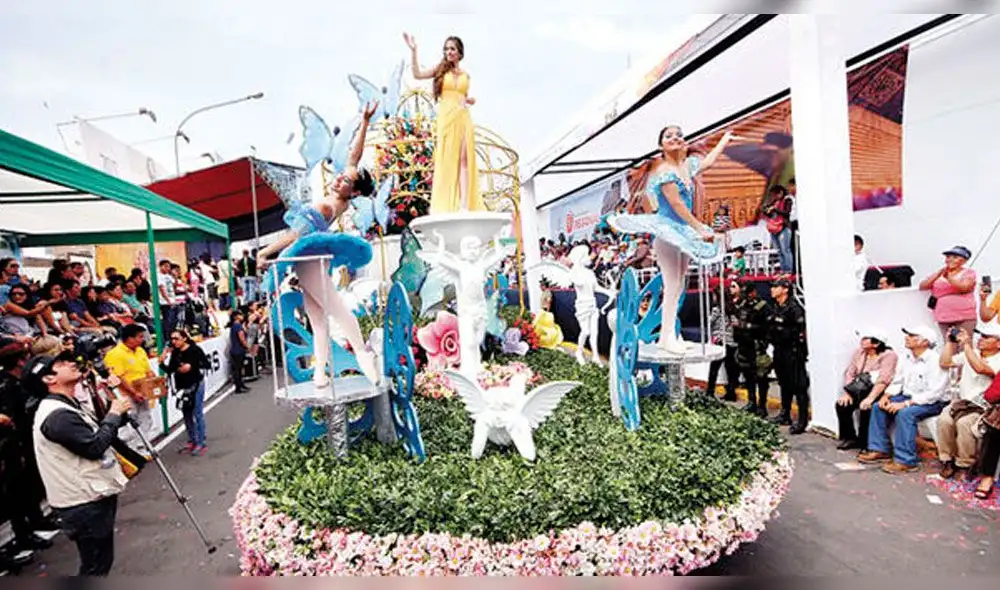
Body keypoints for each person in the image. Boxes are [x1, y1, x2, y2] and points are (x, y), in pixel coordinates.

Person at [257, 102, 380, 392]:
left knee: (338, 313)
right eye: (341, 176)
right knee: (319, 320)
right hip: (308, 261)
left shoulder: (326, 206)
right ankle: (320, 375)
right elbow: (354, 155)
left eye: (346, 180)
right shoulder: (342, 195)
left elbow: (294, 235)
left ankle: (364, 359)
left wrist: (265, 252)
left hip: (310, 260)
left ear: (356, 191)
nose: (340, 178)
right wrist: (364, 122)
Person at [607, 124, 739, 354]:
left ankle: (670, 334)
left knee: (679, 285)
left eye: (679, 134)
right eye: (669, 136)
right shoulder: (664, 172)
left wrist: (724, 141)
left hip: (683, 231)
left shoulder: (686, 166)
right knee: (672, 285)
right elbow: (677, 205)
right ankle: (666, 336)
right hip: (669, 230)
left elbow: (707, 162)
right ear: (661, 146)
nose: (675, 138)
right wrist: (699, 228)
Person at [23, 350, 146, 576]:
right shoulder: (56, 414)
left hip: (91, 495)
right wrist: (113, 414)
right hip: (83, 503)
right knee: (95, 566)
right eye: (61, 363)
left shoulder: (66, 404)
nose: (71, 363)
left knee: (99, 563)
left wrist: (114, 410)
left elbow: (95, 433)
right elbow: (93, 446)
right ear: (49, 379)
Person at [404, 32, 482, 213]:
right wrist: (414, 51)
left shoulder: (466, 75)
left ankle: (464, 205)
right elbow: (417, 74)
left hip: (463, 117)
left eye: (452, 49)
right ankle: (447, 203)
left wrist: (469, 100)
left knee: (464, 159)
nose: (449, 52)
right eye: (446, 49)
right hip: (446, 118)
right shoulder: (440, 70)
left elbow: (461, 94)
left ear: (460, 53)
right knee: (448, 159)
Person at [860, 325, 950, 474]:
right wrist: (886, 396)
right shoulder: (905, 357)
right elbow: (898, 381)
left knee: (906, 413)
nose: (907, 337)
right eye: (907, 335)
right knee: (878, 407)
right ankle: (880, 449)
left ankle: (906, 461)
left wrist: (905, 404)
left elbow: (935, 393)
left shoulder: (935, 361)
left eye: (912, 335)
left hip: (933, 401)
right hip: (908, 396)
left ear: (925, 342)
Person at [0, 341, 59, 560]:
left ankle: (38, 520)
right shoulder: (7, 386)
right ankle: (24, 534)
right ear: (19, 361)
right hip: (13, 445)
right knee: (17, 492)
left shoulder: (25, 382)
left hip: (29, 439)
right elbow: (8, 419)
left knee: (32, 483)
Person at [936, 326, 1000, 479]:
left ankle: (965, 465)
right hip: (962, 403)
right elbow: (945, 362)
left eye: (986, 337)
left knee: (965, 424)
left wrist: (966, 345)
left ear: (998, 344)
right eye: (981, 336)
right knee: (944, 420)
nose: (981, 339)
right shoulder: (972, 353)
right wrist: (950, 342)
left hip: (984, 407)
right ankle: (947, 460)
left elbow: (980, 368)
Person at [835, 329, 899, 451]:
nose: (862, 340)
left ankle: (865, 442)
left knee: (867, 409)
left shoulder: (889, 355)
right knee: (842, 405)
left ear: (876, 343)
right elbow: (850, 372)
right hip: (859, 389)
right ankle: (849, 438)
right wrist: (849, 392)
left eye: (866, 338)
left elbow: (883, 379)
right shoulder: (860, 353)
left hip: (878, 391)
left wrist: (870, 398)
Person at [102, 324, 156, 453]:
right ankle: (127, 450)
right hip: (124, 395)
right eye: (139, 337)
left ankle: (141, 446)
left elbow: (147, 370)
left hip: (142, 392)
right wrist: (134, 393)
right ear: (129, 338)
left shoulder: (140, 351)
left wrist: (153, 384)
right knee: (128, 423)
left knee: (145, 418)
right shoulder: (114, 354)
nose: (142, 339)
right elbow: (118, 378)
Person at [766, 277, 810, 434]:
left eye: (775, 287)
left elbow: (800, 332)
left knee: (799, 386)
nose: (772, 289)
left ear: (785, 289)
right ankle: (785, 414)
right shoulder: (776, 307)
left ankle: (802, 420)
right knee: (784, 383)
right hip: (779, 349)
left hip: (793, 351)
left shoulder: (794, 308)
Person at [159, 330, 210, 455]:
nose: (174, 341)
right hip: (182, 388)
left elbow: (206, 364)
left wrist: (192, 366)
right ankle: (193, 440)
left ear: (185, 338)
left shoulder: (195, 350)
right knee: (186, 414)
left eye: (176, 338)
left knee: (197, 413)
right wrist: (161, 362)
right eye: (172, 339)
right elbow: (171, 370)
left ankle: (201, 442)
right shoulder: (176, 352)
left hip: (195, 385)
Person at [919, 245, 977, 341]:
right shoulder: (940, 273)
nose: (950, 259)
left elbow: (965, 287)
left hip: (964, 316)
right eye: (948, 257)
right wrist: (938, 274)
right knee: (949, 345)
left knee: (964, 344)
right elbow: (923, 286)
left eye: (955, 257)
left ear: (964, 260)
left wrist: (949, 278)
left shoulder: (969, 272)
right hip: (943, 316)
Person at [762, 185, 794, 273]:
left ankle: (788, 270)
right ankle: (783, 270)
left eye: (775, 194)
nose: (774, 196)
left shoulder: (788, 200)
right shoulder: (774, 202)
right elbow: (769, 215)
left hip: (784, 227)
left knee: (785, 249)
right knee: (779, 250)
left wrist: (775, 209)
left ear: (781, 192)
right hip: (774, 228)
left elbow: (787, 213)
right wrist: (766, 210)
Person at [228, 311, 251, 394]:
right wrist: (247, 346)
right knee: (238, 369)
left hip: (235, 350)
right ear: (236, 317)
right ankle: (238, 386)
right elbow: (241, 338)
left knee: (238, 369)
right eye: (240, 315)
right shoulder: (238, 326)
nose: (242, 316)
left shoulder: (234, 326)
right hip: (238, 350)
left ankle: (240, 385)